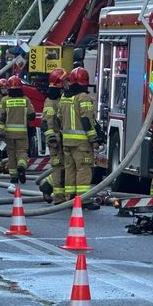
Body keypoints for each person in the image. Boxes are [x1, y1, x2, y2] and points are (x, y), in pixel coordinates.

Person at [58, 66, 100, 210]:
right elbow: (87, 120)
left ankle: (70, 197)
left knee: (70, 169)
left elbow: (58, 118)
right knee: (83, 170)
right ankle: (84, 199)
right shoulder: (83, 97)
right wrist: (94, 139)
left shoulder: (64, 97)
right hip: (82, 143)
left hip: (67, 141)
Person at [0, 76, 35, 184]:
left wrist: (0, 131)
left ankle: (13, 176)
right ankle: (21, 166)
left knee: (11, 155)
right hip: (22, 133)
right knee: (22, 152)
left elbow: (2, 117)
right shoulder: (25, 100)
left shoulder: (4, 100)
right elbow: (32, 115)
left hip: (8, 134)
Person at [40, 68, 67, 204]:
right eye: (65, 81)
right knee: (58, 168)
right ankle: (59, 197)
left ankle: (46, 186)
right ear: (59, 83)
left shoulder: (60, 98)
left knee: (64, 168)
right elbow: (46, 122)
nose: (67, 84)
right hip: (55, 141)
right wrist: (51, 138)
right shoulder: (51, 101)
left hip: (63, 140)